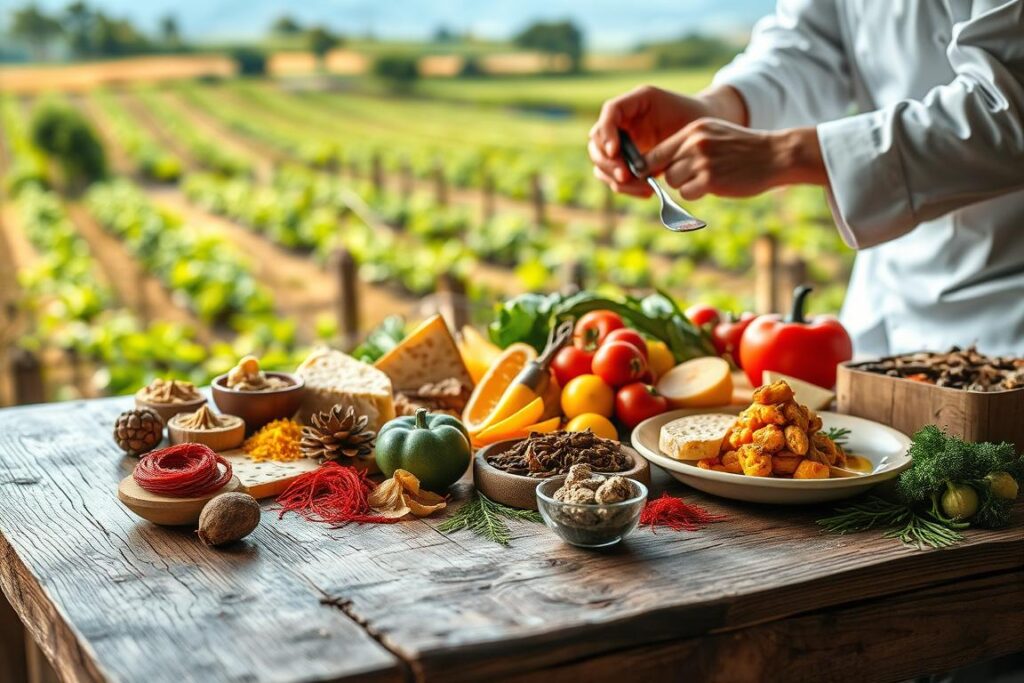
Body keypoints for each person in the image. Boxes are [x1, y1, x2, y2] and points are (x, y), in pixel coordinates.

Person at [589, 0, 1024, 357]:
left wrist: (785, 154)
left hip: (1007, 302)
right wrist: (719, 108)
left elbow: (1008, 104)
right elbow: (809, 46)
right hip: (885, 294)